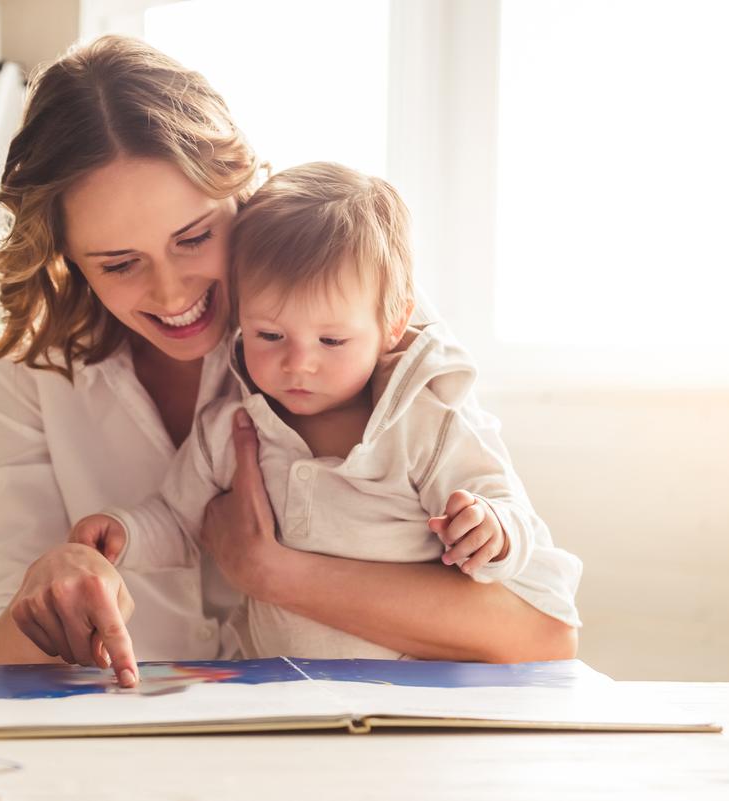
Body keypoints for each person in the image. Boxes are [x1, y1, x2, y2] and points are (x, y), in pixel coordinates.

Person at [0, 35, 579, 689]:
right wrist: (48, 588)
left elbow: (543, 631)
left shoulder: (348, 305)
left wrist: (271, 571)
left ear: (236, 188)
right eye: (119, 263)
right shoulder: (33, 369)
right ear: (65, 254)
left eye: (195, 236)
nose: (173, 294)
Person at [69, 162, 582, 660]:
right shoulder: (231, 428)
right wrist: (124, 533)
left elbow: (506, 513)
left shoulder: (428, 423)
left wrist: (491, 529)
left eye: (332, 340)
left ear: (393, 324)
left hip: (424, 693)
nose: (298, 364)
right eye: (269, 335)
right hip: (287, 695)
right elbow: (176, 519)